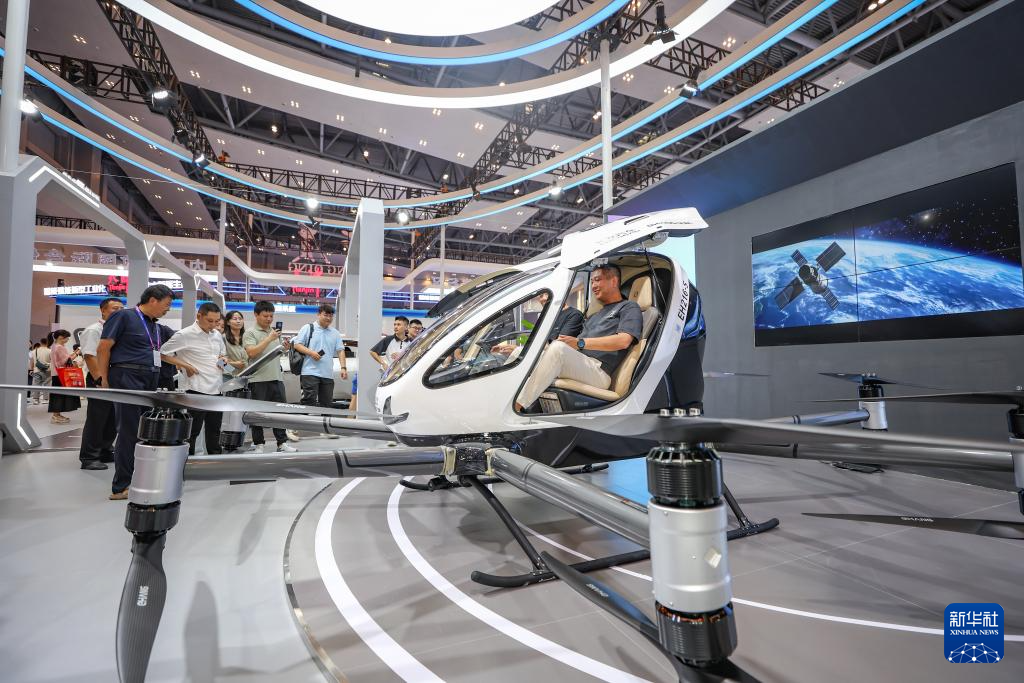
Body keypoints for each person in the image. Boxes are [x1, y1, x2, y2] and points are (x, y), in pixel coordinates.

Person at [515, 264, 642, 411]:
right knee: (519, 353)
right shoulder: (594, 315)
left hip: (599, 371)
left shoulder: (628, 307)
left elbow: (624, 341)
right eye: (592, 282)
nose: (593, 286)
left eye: (597, 280)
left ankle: (517, 407)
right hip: (582, 364)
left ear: (613, 281)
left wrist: (580, 343)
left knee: (558, 349)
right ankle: (505, 398)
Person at [97, 284, 174, 500]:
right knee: (129, 431)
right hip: (127, 376)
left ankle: (139, 479)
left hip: (150, 378)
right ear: (153, 300)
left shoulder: (155, 326)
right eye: (167, 304)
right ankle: (121, 486)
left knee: (145, 431)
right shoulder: (123, 316)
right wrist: (104, 379)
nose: (168, 309)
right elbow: (103, 347)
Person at [160, 302, 226, 456]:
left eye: (216, 321)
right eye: (210, 321)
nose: (213, 325)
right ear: (199, 316)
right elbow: (161, 354)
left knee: (214, 430)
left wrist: (223, 362)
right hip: (196, 388)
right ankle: (186, 461)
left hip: (217, 388)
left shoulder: (216, 335)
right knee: (192, 431)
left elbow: (221, 356)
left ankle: (216, 460)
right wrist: (185, 365)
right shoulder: (184, 335)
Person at [242, 301, 295, 453]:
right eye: (265, 316)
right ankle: (259, 443)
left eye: (271, 316)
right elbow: (252, 353)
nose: (269, 319)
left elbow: (274, 353)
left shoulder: (274, 332)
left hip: (276, 378)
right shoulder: (250, 333)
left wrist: (284, 348)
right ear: (256, 315)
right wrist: (269, 339)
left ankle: (282, 443)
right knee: (257, 414)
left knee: (280, 413)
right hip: (257, 379)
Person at [78, 297, 124, 470]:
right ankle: (89, 457)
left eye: (121, 308)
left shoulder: (116, 330)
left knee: (112, 418)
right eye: (114, 308)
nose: (119, 311)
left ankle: (105, 450)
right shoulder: (94, 330)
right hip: (99, 379)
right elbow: (90, 356)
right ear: (103, 311)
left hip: (114, 379)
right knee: (97, 419)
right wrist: (100, 379)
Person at [292, 304, 348, 412]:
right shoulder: (308, 328)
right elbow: (297, 345)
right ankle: (304, 422)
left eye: (331, 316)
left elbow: (340, 350)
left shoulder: (335, 333)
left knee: (327, 405)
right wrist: (311, 353)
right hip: (309, 372)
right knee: (309, 402)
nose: (328, 318)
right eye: (326, 315)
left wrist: (343, 368)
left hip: (327, 374)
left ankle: (325, 423)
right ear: (318, 314)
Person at [47, 330, 81, 424]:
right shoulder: (60, 347)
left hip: (56, 374)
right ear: (61, 337)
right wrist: (77, 353)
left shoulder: (54, 346)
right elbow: (66, 361)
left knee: (57, 395)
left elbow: (64, 359)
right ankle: (56, 416)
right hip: (60, 374)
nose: (68, 339)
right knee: (59, 396)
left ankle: (56, 414)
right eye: (67, 337)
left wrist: (74, 353)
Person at [222, 310, 249, 381]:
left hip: (246, 376)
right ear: (228, 322)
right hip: (228, 377)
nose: (238, 321)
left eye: (240, 319)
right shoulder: (223, 338)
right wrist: (233, 367)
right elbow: (220, 362)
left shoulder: (247, 337)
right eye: (235, 319)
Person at [30, 336, 51, 404]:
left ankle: (36, 400)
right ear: (47, 343)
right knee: (47, 384)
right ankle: (46, 399)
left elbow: (32, 361)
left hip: (37, 370)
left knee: (37, 384)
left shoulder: (34, 351)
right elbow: (52, 361)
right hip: (48, 370)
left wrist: (31, 369)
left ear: (40, 343)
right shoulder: (50, 351)